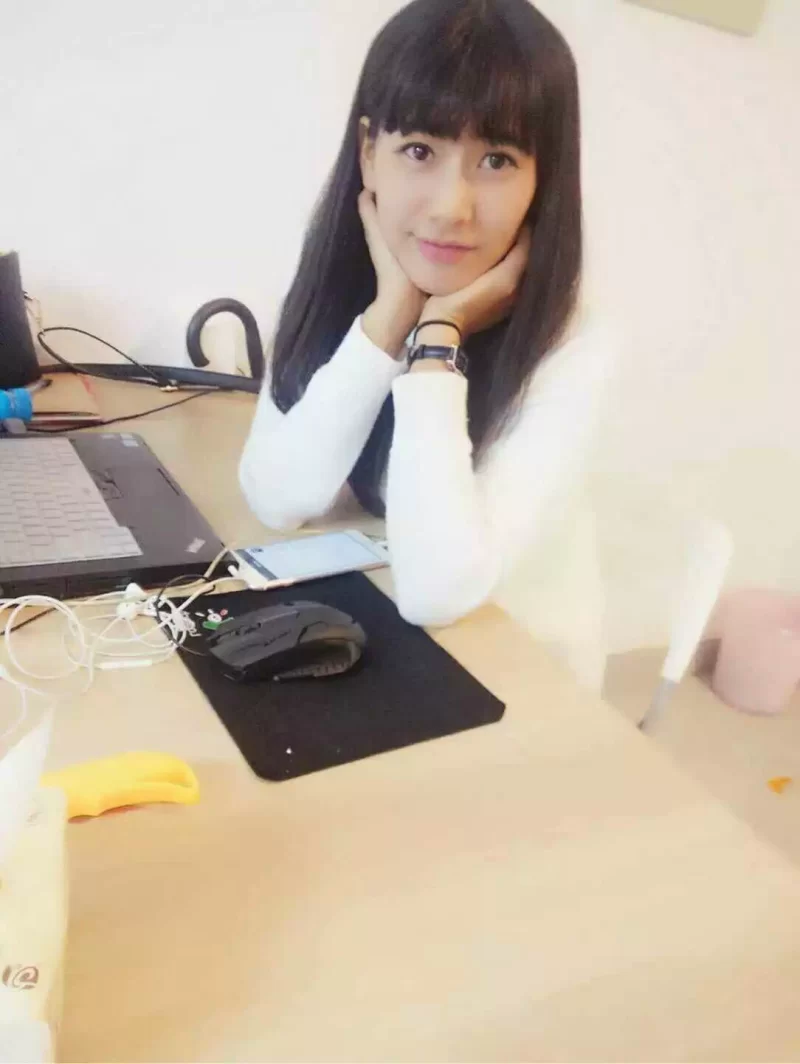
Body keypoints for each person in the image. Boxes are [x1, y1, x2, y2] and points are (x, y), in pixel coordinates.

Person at [240, 0, 616, 689]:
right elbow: (279, 498)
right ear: (368, 153)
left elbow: (437, 593)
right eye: (419, 150)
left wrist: (439, 341)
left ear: (544, 181)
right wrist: (388, 320)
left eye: (497, 159)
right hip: (388, 633)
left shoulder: (575, 342)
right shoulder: (338, 283)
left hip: (523, 675)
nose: (451, 207)